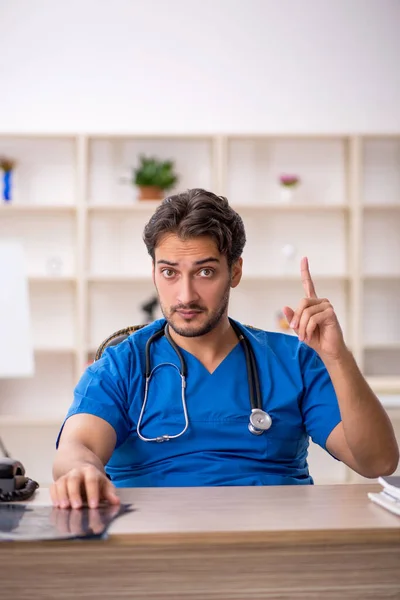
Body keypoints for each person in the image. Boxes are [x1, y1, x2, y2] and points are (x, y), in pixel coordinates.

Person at [51, 188, 399, 509]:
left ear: (235, 271)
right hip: (152, 547)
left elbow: (377, 462)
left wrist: (337, 357)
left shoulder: (294, 360)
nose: (185, 295)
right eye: (170, 272)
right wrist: (82, 470)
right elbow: (75, 447)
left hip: (276, 543)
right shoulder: (123, 364)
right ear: (154, 272)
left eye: (204, 272)